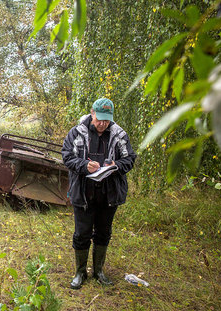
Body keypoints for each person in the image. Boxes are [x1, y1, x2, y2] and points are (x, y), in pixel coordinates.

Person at [61, 98, 136, 289]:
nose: (102, 124)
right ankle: (80, 272)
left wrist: (116, 165)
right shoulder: (77, 132)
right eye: (99, 119)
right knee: (82, 233)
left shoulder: (119, 134)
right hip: (83, 193)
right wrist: (84, 165)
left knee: (103, 233)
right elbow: (67, 156)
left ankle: (98, 271)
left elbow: (130, 159)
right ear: (92, 113)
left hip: (109, 194)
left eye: (106, 120)